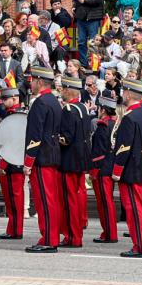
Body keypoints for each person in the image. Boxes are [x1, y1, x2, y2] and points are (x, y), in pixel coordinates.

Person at [23, 66, 63, 253]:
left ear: (39, 82)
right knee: (51, 200)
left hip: (42, 157)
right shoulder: (54, 101)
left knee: (44, 201)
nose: (30, 84)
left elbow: (34, 134)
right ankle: (50, 236)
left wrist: (28, 161)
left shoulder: (40, 103)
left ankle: (48, 238)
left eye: (32, 81)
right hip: (53, 155)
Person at [111, 78, 142, 258]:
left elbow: (123, 147)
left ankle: (141, 246)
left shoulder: (130, 117)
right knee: (140, 208)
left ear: (128, 93)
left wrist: (116, 171)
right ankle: (141, 244)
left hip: (130, 169)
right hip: (141, 166)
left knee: (134, 210)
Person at [58, 76, 90, 248]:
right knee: (76, 199)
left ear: (69, 90)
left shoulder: (69, 109)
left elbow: (65, 138)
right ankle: (75, 234)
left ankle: (72, 236)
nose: (61, 92)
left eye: (63, 89)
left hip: (69, 160)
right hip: (80, 159)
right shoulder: (82, 108)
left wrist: (52, 138)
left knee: (69, 200)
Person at [0, 88, 26, 240]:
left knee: (15, 198)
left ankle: (16, 229)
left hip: (12, 163)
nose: (2, 101)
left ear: (14, 98)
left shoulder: (16, 116)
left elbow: (11, 141)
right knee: (11, 199)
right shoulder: (11, 114)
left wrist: (2, 164)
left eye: (5, 98)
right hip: (12, 161)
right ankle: (13, 228)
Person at [89, 96, 119, 244]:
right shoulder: (115, 124)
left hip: (102, 169)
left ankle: (109, 233)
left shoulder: (103, 126)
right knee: (108, 202)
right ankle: (109, 231)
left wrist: (94, 169)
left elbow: (99, 151)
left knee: (104, 203)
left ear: (103, 110)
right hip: (111, 167)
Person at [73, 0, 104, 68]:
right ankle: (83, 64)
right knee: (81, 42)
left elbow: (99, 0)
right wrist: (74, 7)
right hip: (81, 19)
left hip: (92, 19)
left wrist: (85, 1)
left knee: (93, 43)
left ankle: (93, 64)